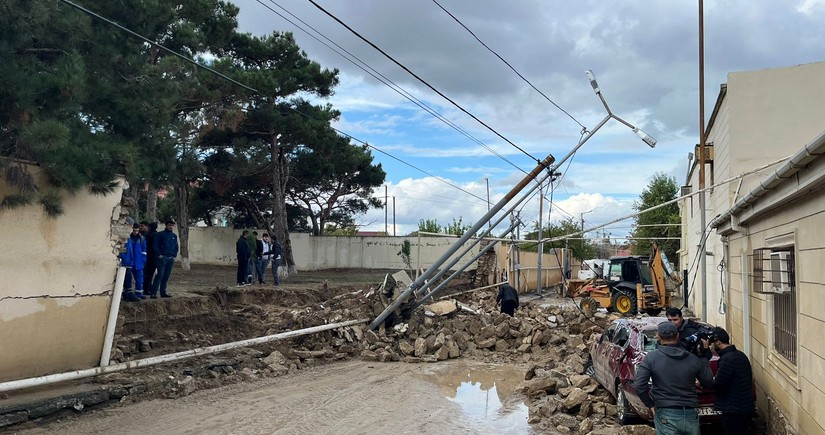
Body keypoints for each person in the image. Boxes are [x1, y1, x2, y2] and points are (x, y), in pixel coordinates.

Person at [634, 321, 714, 435]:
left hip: (665, 412)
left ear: (658, 337)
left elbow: (639, 385)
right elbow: (709, 382)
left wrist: (650, 404)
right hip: (690, 413)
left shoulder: (651, 358)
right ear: (677, 335)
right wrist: (703, 357)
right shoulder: (693, 359)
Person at [707, 327, 754, 435]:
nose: (711, 346)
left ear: (718, 341)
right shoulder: (740, 355)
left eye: (712, 343)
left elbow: (719, 384)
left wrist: (706, 381)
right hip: (743, 406)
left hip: (733, 409)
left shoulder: (728, 359)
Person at [150, 219, 178, 298]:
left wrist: (174, 255)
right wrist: (159, 254)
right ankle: (153, 293)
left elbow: (176, 246)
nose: (171, 227)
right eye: (169, 225)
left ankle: (163, 292)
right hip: (162, 258)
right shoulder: (160, 234)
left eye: (172, 225)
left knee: (166, 276)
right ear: (166, 225)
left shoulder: (174, 236)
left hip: (170, 258)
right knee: (160, 275)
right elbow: (155, 245)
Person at [119, 223, 147, 301]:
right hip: (128, 262)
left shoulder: (142, 239)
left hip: (138, 262)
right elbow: (122, 250)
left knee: (140, 280)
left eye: (137, 231)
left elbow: (144, 251)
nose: (135, 232)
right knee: (128, 280)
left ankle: (139, 294)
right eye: (134, 230)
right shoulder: (127, 239)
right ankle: (128, 294)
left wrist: (143, 260)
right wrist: (124, 259)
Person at [143, 221, 159, 293]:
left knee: (146, 273)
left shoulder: (146, 235)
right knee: (150, 273)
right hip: (153, 256)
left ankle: (146, 288)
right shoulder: (156, 235)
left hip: (147, 255)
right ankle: (148, 288)